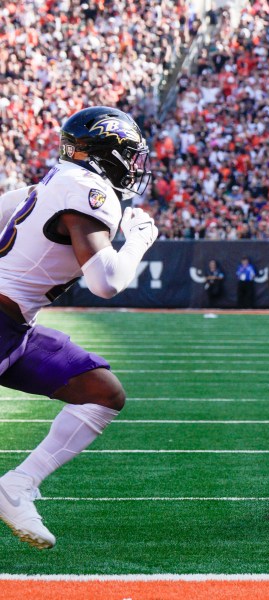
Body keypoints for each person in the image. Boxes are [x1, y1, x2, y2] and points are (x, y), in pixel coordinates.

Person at [0, 106, 158, 549]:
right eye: (127, 154)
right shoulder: (89, 190)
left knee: (101, 392)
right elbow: (107, 282)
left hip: (16, 325)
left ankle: (18, 485)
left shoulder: (48, 184)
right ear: (101, 152)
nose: (131, 166)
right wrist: (139, 240)